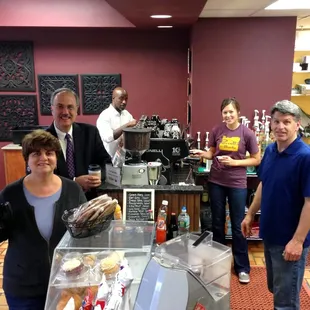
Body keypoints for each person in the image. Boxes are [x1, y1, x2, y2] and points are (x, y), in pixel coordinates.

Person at [0, 130, 87, 310]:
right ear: (27, 159)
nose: (44, 158)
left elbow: (84, 230)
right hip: (23, 287)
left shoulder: (73, 190)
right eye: (36, 153)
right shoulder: (10, 194)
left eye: (49, 153)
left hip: (65, 284)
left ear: (56, 158)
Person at [241, 100, 310, 309]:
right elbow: (264, 184)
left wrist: (297, 241)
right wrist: (250, 214)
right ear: (270, 123)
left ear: (297, 125)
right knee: (276, 288)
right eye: (277, 121)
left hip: (290, 240)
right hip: (270, 235)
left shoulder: (305, 157)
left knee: (286, 301)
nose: (281, 127)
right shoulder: (270, 151)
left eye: (287, 122)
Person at [193, 97, 261, 283]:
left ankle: (242, 267)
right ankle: (219, 263)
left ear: (238, 112)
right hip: (216, 181)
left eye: (231, 111)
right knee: (217, 223)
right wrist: (202, 154)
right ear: (221, 114)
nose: (228, 115)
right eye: (225, 112)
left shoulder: (247, 133)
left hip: (237, 184)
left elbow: (256, 159)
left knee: (239, 225)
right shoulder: (217, 130)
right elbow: (212, 153)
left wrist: (235, 163)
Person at [47, 88, 111, 198]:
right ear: (52, 109)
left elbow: (107, 163)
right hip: (56, 201)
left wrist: (96, 177)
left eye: (70, 107)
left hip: (89, 201)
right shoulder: (42, 140)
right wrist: (74, 182)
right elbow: (39, 176)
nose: (65, 112)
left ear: (76, 110)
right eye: (60, 106)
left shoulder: (91, 133)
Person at [96, 87, 137, 158]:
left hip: (123, 158)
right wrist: (127, 125)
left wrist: (125, 136)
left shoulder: (126, 113)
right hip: (108, 160)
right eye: (121, 98)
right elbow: (108, 137)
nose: (124, 102)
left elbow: (134, 126)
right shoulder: (104, 115)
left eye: (126, 99)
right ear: (113, 98)